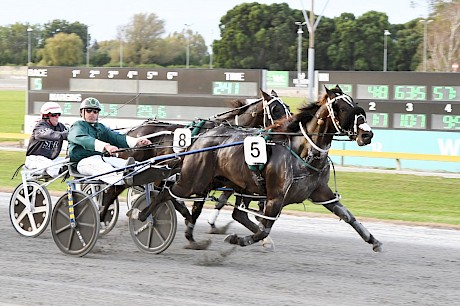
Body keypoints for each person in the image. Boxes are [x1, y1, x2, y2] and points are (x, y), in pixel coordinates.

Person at [68, 97, 151, 185]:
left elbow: (116, 137)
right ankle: (123, 178)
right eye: (88, 111)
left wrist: (137, 142)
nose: (92, 114)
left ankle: (146, 171)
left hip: (100, 158)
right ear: (82, 112)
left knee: (129, 164)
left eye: (95, 112)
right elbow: (84, 139)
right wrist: (105, 146)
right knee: (105, 168)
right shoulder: (77, 126)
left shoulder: (100, 127)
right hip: (82, 162)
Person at [25, 102, 68, 177]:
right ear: (45, 116)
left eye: (58, 114)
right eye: (54, 115)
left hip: (51, 159)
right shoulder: (40, 126)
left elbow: (71, 134)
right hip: (34, 159)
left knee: (70, 162)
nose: (57, 117)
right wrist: (65, 134)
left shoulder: (60, 126)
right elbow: (50, 134)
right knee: (47, 163)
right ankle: (59, 170)